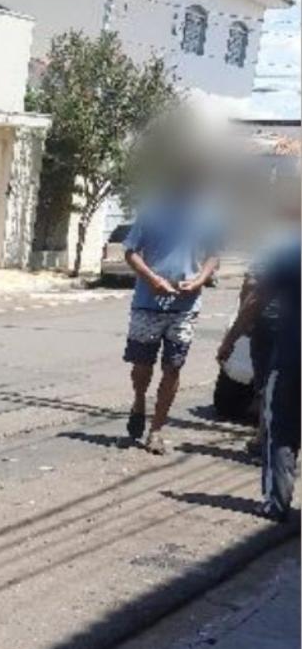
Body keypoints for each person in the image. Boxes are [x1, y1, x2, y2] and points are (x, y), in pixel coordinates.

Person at [122, 192, 222, 454]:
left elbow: (213, 255)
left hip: (185, 307)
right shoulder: (152, 211)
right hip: (147, 304)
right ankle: (139, 401)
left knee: (173, 367)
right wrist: (152, 279)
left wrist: (199, 280)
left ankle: (156, 430)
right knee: (142, 366)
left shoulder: (209, 216)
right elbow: (130, 252)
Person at [219, 231, 300, 521]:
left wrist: (230, 339)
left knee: (279, 427)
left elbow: (256, 296)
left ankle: (276, 503)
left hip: (291, 357)